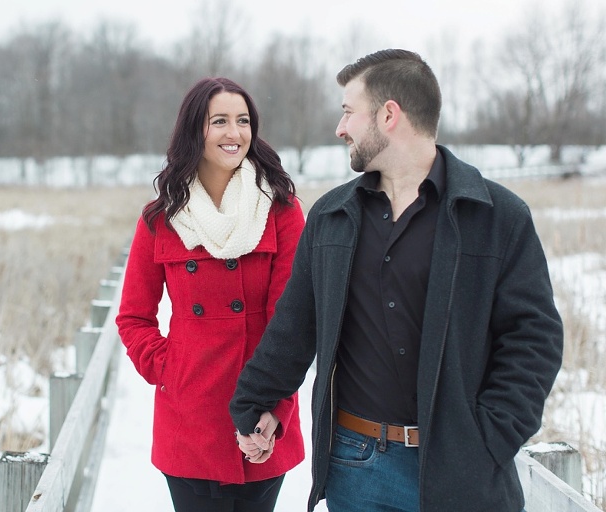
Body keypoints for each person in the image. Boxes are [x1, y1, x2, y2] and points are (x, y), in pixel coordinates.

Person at [230, 49, 564, 512]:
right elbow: (296, 324)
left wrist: (489, 440)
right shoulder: (331, 217)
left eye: (348, 112)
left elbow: (534, 339)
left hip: (459, 472)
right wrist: (254, 401)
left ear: (389, 115)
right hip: (354, 465)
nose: (340, 128)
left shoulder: (497, 217)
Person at [116, 76, 306, 512]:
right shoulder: (160, 218)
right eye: (218, 121)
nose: (234, 133)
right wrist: (172, 369)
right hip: (190, 421)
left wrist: (274, 411)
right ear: (194, 131)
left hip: (262, 409)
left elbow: (293, 320)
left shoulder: (281, 209)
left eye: (242, 121)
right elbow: (133, 318)